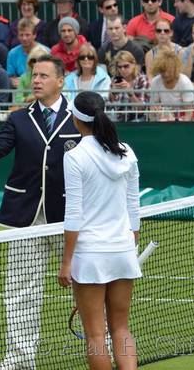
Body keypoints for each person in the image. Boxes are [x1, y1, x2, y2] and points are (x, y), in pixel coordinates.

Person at [0, 54, 80, 370]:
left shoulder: (79, 118)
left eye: (44, 75)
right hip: (25, 216)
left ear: (60, 80)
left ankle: (102, 346)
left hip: (68, 216)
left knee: (86, 283)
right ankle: (19, 358)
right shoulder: (19, 118)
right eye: (34, 75)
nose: (37, 80)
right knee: (20, 292)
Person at [57, 90, 141, 370]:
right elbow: (133, 205)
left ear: (76, 120)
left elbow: (74, 214)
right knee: (121, 328)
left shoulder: (74, 156)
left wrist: (67, 262)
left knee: (95, 334)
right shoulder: (127, 152)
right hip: (122, 251)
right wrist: (132, 243)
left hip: (90, 255)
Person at [149, 49, 194, 121]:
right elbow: (152, 110)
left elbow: (189, 113)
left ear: (175, 69)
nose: (166, 74)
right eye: (163, 71)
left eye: (169, 71)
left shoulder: (185, 82)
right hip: (163, 119)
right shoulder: (155, 82)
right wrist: (155, 112)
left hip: (182, 120)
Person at [6, 18, 50, 86]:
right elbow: (10, 76)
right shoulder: (12, 54)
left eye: (27, 35)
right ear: (17, 36)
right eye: (21, 35)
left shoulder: (45, 52)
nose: (24, 38)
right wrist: (13, 81)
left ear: (34, 35)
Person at [108, 50, 150, 122]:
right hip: (119, 119)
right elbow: (109, 105)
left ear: (133, 65)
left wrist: (130, 93)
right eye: (119, 67)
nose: (122, 69)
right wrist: (113, 93)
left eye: (126, 66)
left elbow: (141, 109)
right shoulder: (115, 80)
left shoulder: (142, 80)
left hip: (139, 119)